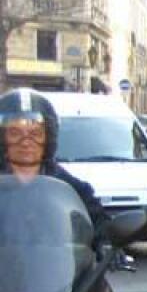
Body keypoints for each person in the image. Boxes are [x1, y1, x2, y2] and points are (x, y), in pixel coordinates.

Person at [0, 88, 104, 229]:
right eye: (15, 133)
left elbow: (100, 226)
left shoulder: (71, 188)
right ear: (3, 138)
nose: (25, 142)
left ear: (48, 137)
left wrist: (104, 244)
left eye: (35, 133)